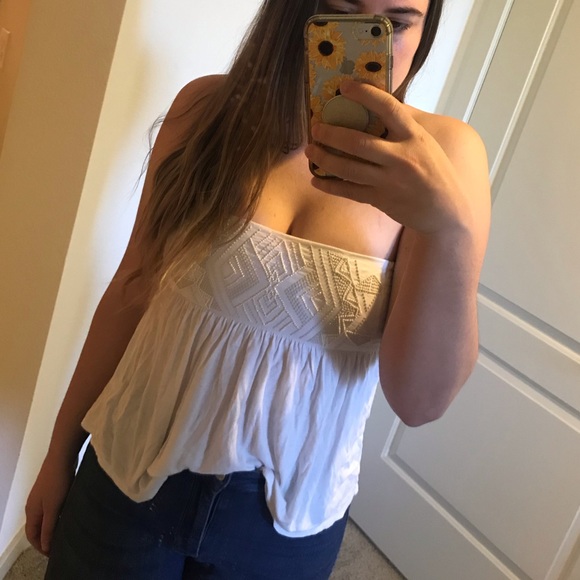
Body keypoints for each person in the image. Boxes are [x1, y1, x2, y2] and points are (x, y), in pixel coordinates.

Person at [25, 0, 490, 578]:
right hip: (126, 470)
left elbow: (419, 403)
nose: (365, 44)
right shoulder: (205, 111)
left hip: (287, 522)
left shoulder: (446, 160)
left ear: (427, 27)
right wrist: (59, 451)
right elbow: (132, 289)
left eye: (394, 24)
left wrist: (447, 229)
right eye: (337, 10)